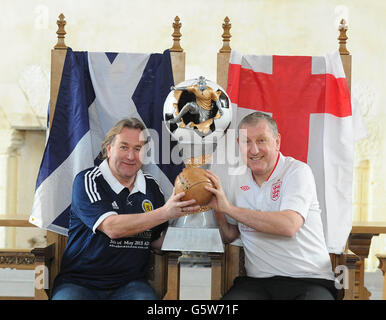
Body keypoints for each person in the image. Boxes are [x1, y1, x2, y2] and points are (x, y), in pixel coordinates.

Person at [52, 118, 200, 300]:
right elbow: (112, 228)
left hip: (130, 284)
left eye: (137, 149)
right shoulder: (88, 181)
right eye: (124, 147)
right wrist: (165, 213)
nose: (131, 156)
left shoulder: (152, 187)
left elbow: (157, 240)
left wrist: (199, 230)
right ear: (108, 149)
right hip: (79, 282)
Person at [205, 111, 337, 300]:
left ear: (277, 142)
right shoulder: (236, 180)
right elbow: (230, 235)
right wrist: (218, 210)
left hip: (310, 280)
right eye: (246, 142)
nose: (254, 150)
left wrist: (229, 208)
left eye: (261, 141)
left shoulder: (297, 172)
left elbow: (288, 226)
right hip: (258, 283)